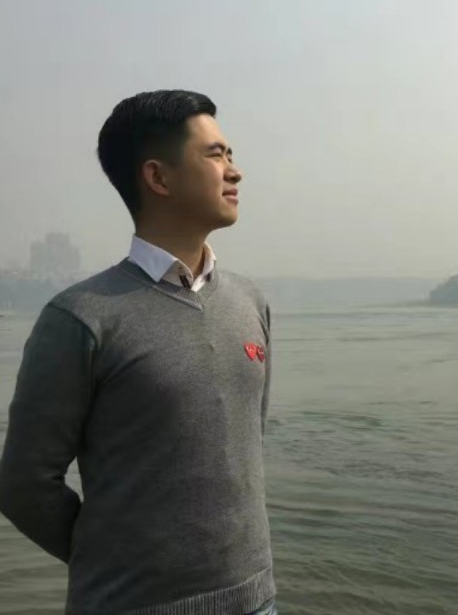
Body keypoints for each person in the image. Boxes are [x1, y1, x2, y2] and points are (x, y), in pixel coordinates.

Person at [0, 90, 277, 615]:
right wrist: (112, 563)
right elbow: (24, 485)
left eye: (231, 154)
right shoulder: (81, 318)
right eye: (215, 155)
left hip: (257, 601)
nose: (234, 170)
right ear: (158, 178)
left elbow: (245, 445)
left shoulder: (249, 303)